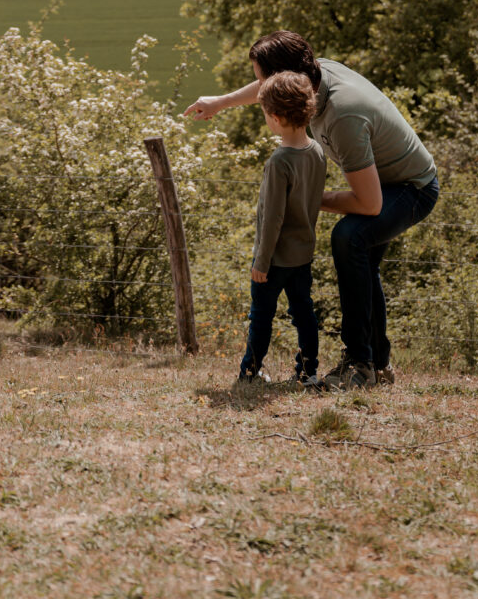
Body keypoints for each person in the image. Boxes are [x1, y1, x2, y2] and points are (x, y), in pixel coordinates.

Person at [184, 31, 439, 390]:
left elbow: (370, 204)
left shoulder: (342, 115)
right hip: (381, 182)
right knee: (362, 260)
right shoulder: (314, 75)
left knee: (349, 239)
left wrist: (305, 198)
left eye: (261, 80)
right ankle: (376, 365)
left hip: (411, 187)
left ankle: (360, 363)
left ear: (285, 79)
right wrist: (220, 102)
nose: (258, 90)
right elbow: (269, 87)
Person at [238, 71, 327, 385]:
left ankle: (250, 372)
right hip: (302, 254)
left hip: (274, 259)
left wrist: (261, 262)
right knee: (304, 313)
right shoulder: (317, 152)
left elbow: (272, 217)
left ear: (274, 117)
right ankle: (308, 372)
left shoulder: (279, 162)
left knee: (261, 315)